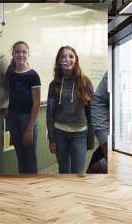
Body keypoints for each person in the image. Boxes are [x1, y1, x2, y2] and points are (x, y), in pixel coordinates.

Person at [46, 46, 94, 174]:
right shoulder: (54, 85)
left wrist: (90, 139)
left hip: (80, 135)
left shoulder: (85, 82)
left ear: (76, 60)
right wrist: (51, 139)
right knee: (63, 171)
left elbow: (91, 112)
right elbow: (50, 113)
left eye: (71, 56)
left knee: (77, 172)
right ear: (59, 61)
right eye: (63, 56)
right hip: (59, 134)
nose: (67, 59)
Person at [5, 41, 41, 174]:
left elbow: (36, 103)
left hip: (28, 119)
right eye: (17, 52)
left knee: (30, 158)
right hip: (13, 118)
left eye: (24, 52)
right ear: (13, 54)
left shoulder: (33, 76)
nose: (21, 55)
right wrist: (7, 107)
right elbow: (12, 93)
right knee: (20, 156)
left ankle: (31, 188)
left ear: (28, 54)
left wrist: (30, 129)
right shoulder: (11, 73)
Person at [88, 72, 109, 173]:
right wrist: (105, 140)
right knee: (93, 170)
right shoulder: (117, 67)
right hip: (118, 142)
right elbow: (98, 103)